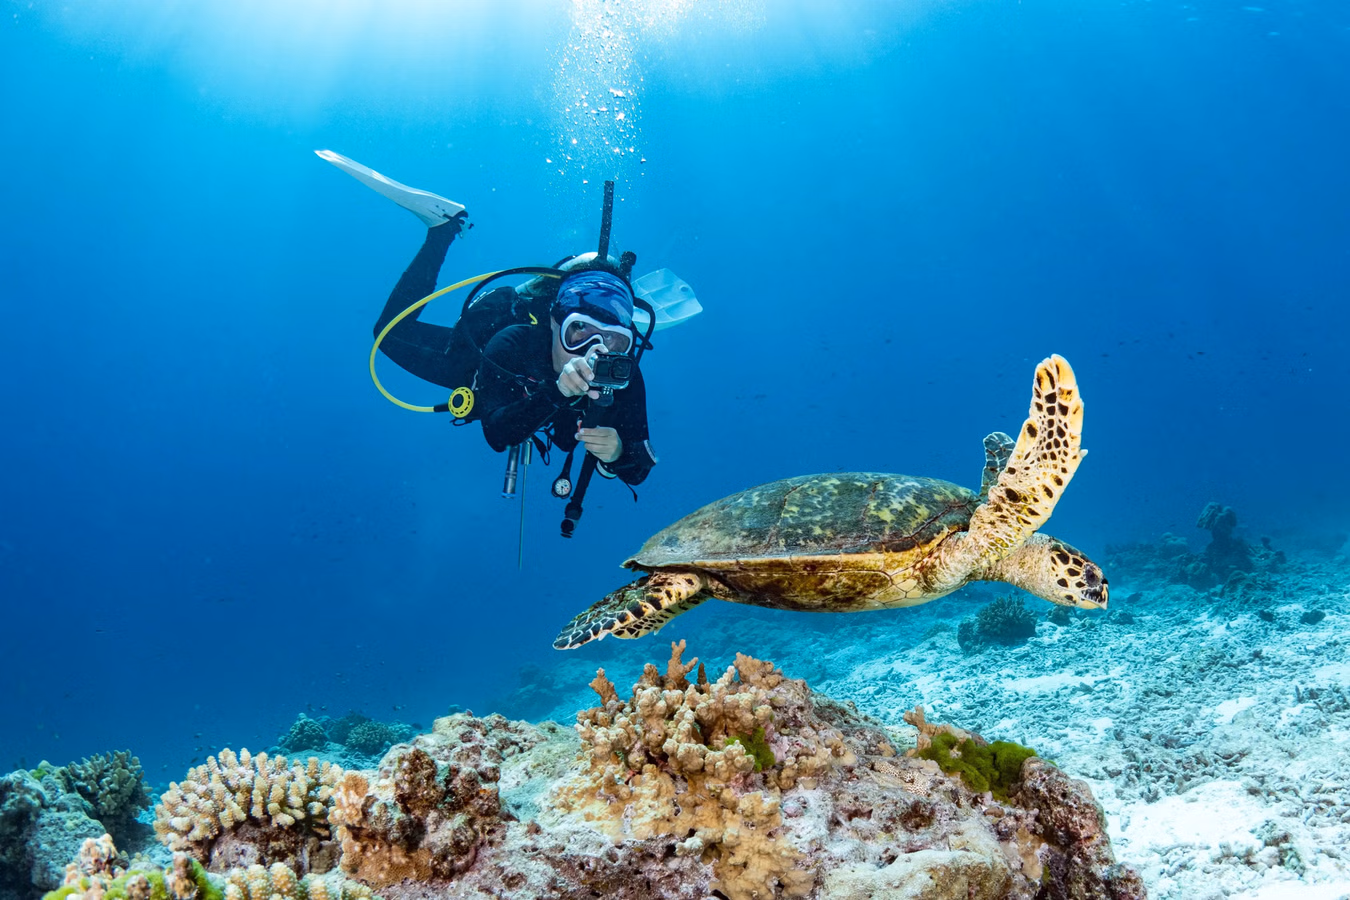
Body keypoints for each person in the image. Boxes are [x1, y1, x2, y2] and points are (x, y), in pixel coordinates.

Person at [368, 186, 658, 489]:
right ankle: (443, 229)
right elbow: (497, 433)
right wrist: (557, 392)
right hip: (479, 369)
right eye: (579, 330)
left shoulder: (620, 373)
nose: (593, 352)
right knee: (387, 334)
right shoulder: (514, 343)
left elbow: (639, 468)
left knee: (566, 436)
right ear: (553, 321)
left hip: (548, 412)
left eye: (612, 340)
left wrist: (618, 452)